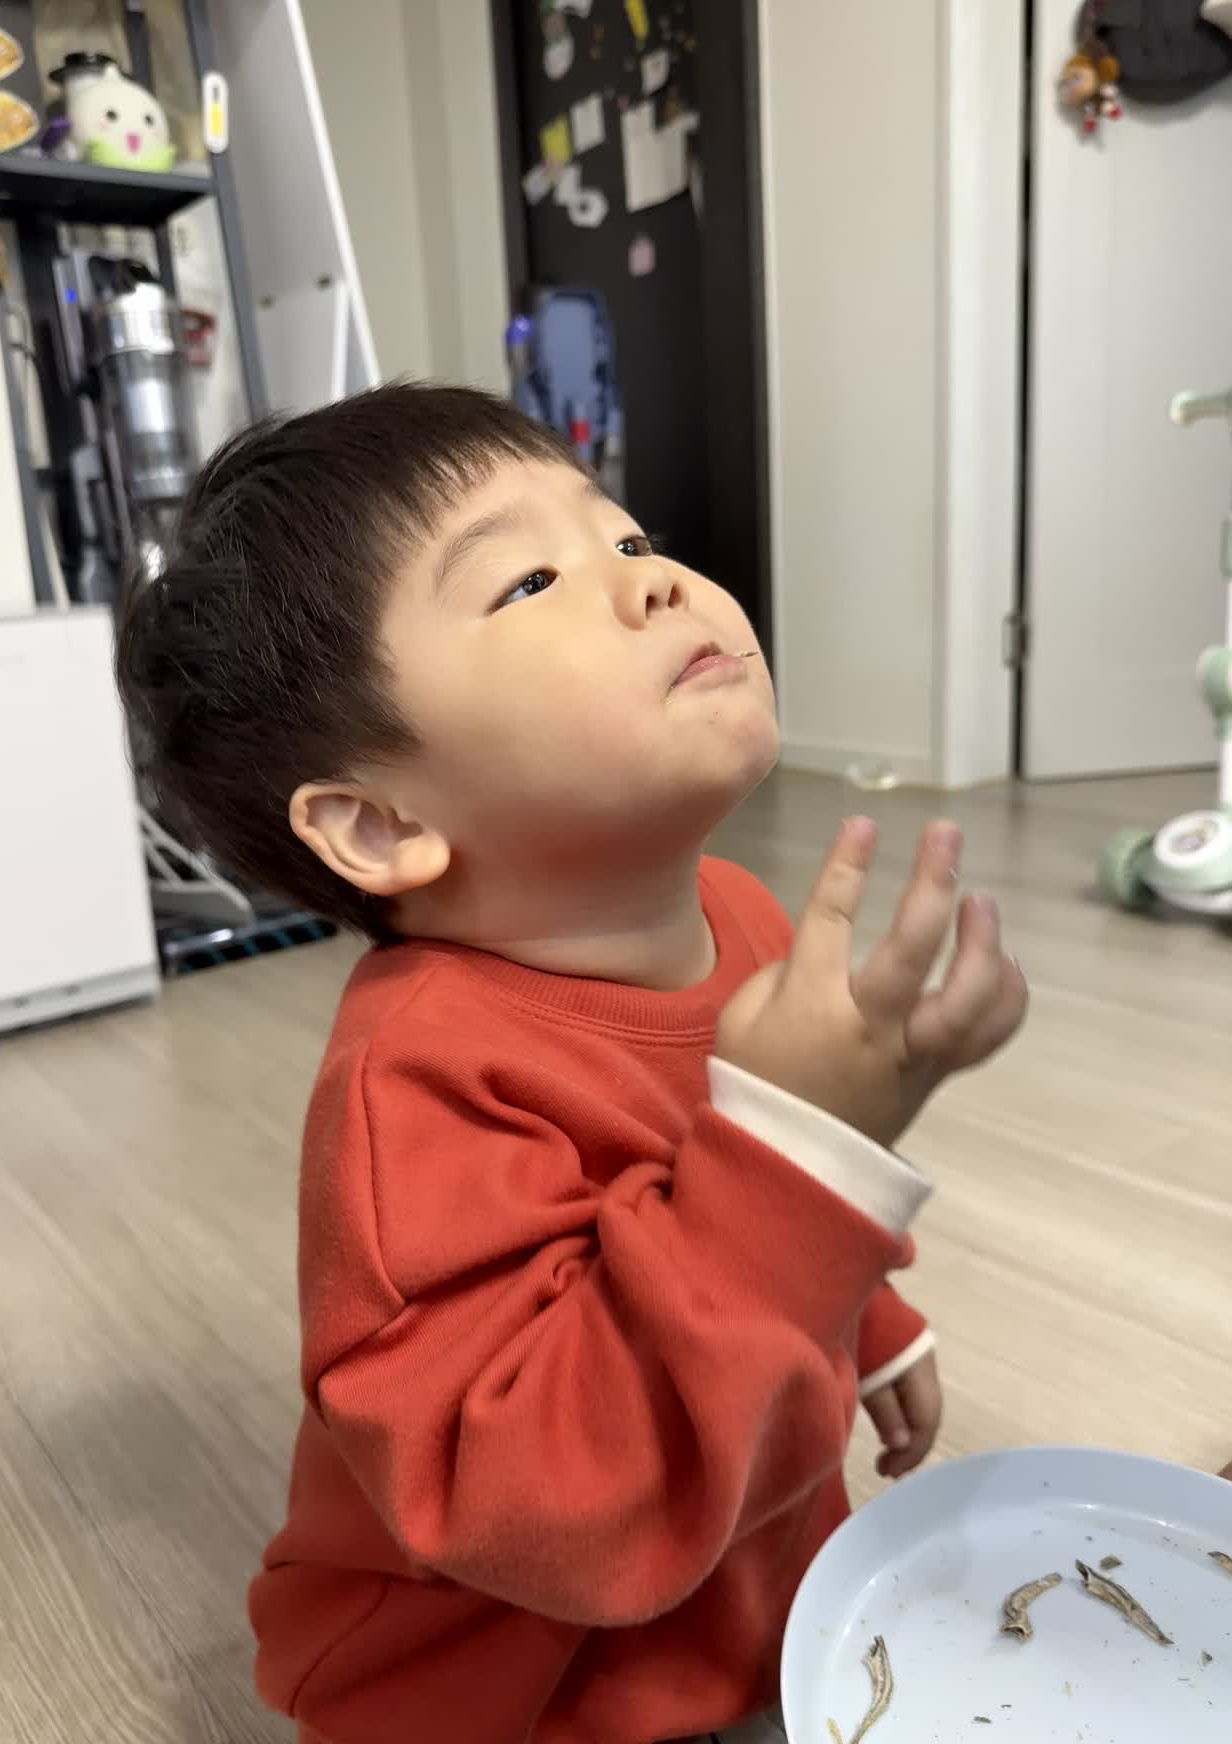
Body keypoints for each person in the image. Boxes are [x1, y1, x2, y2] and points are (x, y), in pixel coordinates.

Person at [115, 384, 1028, 1744]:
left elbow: (777, 1245)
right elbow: (550, 1505)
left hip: (746, 1596)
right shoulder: (418, 1088)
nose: (652, 581)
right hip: (522, 1687)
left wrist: (875, 1323)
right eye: (529, 581)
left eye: (629, 537)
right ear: (379, 824)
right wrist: (798, 1148)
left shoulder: (745, 919)